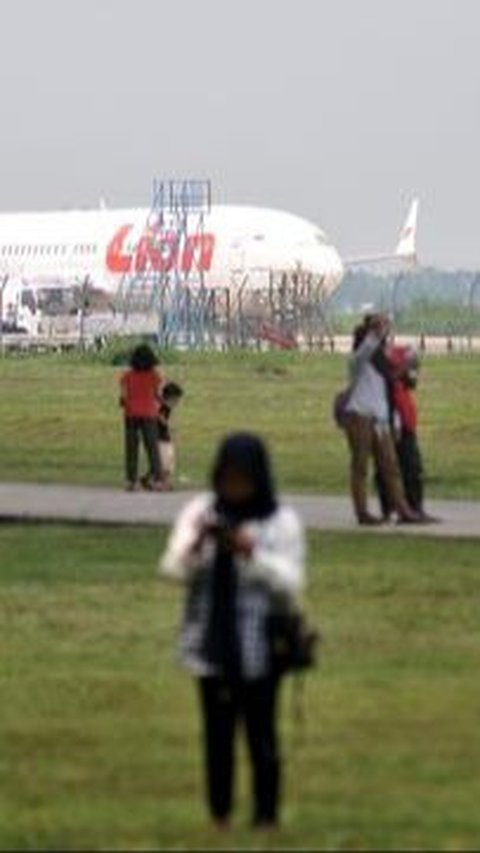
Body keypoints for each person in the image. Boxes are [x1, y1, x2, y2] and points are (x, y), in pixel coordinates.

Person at [159, 433, 305, 830]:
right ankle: (219, 813)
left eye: (243, 479)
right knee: (217, 734)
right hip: (211, 640)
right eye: (228, 479)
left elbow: (290, 582)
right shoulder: (201, 513)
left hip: (262, 643)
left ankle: (266, 814)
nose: (234, 488)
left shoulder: (279, 521)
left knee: (262, 732)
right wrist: (197, 547)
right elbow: (171, 569)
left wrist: (250, 554)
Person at [343, 314, 419, 525]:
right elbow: (367, 349)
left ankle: (402, 508)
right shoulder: (357, 362)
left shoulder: (382, 369)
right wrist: (376, 332)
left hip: (379, 419)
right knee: (360, 466)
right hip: (359, 416)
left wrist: (392, 421)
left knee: (390, 465)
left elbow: (386, 396)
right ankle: (362, 512)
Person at [375, 345, 436, 522]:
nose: (414, 375)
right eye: (411, 370)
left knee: (398, 468)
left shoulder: (400, 386)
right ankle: (409, 508)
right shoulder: (391, 385)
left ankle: (397, 508)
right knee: (408, 467)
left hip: (404, 426)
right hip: (398, 428)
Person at [119, 343, 165, 492]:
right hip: (149, 415)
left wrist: (125, 403)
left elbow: (123, 397)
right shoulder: (154, 376)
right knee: (152, 448)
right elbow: (158, 395)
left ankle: (131, 481)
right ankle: (158, 480)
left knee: (131, 448)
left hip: (131, 414)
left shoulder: (127, 376)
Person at [142, 381, 184, 491]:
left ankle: (151, 480)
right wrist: (168, 425)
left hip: (163, 437)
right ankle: (156, 481)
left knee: (167, 461)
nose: (177, 402)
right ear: (170, 398)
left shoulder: (163, 405)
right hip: (160, 438)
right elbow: (159, 416)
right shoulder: (163, 406)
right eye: (176, 400)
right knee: (165, 460)